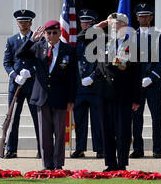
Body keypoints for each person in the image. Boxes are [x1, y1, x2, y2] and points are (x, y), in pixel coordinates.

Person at [16, 20, 77, 170]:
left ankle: (58, 164)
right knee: (44, 134)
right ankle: (46, 164)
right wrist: (31, 40)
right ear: (44, 34)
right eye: (48, 33)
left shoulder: (68, 50)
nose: (51, 36)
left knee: (60, 133)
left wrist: (71, 99)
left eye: (54, 33)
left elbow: (73, 77)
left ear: (60, 33)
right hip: (42, 96)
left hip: (60, 97)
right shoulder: (38, 47)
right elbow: (20, 54)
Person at [91, 13, 142, 172]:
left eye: (117, 23)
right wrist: (97, 27)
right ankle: (110, 163)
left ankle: (122, 164)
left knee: (123, 130)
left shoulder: (131, 46)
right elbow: (80, 38)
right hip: (104, 92)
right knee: (106, 130)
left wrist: (136, 98)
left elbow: (136, 74)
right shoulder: (102, 42)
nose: (114, 25)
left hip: (123, 93)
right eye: (112, 23)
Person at [3, 9, 41, 159]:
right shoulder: (11, 41)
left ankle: (41, 148)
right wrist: (14, 76)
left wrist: (31, 71)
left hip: (33, 85)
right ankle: (11, 149)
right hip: (16, 86)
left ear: (31, 23)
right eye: (21, 21)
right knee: (13, 118)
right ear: (17, 23)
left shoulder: (39, 40)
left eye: (26, 21)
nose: (23, 24)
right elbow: (7, 63)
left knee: (38, 119)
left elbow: (42, 61)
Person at [130, 3, 161, 159]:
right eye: (140, 16)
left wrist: (151, 78)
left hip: (153, 83)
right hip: (137, 84)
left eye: (146, 16)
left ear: (151, 17)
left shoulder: (158, 35)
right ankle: (138, 149)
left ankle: (157, 149)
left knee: (156, 117)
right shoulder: (131, 36)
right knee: (136, 118)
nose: (143, 18)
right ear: (137, 18)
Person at [70, 9, 104, 159]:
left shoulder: (100, 40)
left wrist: (92, 76)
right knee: (80, 120)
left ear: (93, 23)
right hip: (79, 86)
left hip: (95, 86)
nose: (85, 24)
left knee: (97, 121)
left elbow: (102, 63)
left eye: (88, 22)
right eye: (83, 21)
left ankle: (99, 148)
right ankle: (80, 148)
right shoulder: (75, 40)